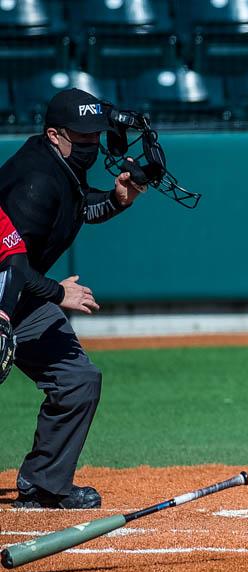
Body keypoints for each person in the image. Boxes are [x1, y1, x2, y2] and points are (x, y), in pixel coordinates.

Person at [0, 88, 145, 509]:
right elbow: (12, 266)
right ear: (53, 134)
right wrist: (59, 292)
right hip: (10, 288)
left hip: (23, 296)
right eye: (81, 138)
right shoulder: (35, 183)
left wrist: (118, 200)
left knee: (78, 381)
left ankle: (43, 483)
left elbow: (81, 207)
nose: (91, 146)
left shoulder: (61, 165)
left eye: (94, 136)